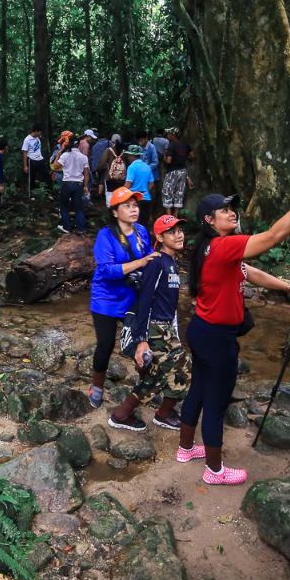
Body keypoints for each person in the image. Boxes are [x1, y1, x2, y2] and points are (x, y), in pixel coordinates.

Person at [179, 188, 290, 485]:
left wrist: (288, 287)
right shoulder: (223, 245)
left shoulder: (207, 248)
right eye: (225, 210)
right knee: (215, 403)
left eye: (232, 208)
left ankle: (186, 448)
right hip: (217, 339)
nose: (232, 213)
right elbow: (272, 237)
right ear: (209, 219)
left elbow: (250, 272)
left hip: (201, 331)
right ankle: (214, 471)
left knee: (199, 390)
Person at [108, 214, 191, 432]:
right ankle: (121, 415)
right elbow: (144, 300)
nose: (179, 234)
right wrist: (141, 340)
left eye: (180, 230)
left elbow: (170, 305)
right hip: (153, 329)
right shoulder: (156, 263)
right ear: (160, 237)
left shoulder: (172, 263)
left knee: (183, 368)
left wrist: (175, 332)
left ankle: (164, 413)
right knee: (158, 374)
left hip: (166, 329)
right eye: (172, 231)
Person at [89, 187, 160, 408]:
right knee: (106, 344)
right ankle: (97, 385)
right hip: (106, 300)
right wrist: (139, 263)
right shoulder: (106, 236)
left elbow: (150, 259)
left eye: (135, 205)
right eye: (127, 206)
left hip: (132, 297)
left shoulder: (140, 231)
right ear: (114, 211)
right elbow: (107, 270)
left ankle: (146, 386)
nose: (133, 209)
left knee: (142, 343)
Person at [53, 136, 90, 234]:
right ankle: (81, 228)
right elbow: (86, 173)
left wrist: (58, 155)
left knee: (64, 206)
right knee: (79, 207)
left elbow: (55, 167)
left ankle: (67, 227)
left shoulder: (65, 155)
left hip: (67, 184)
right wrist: (86, 186)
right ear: (78, 145)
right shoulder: (83, 157)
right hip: (79, 184)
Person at [162, 129, 193, 215]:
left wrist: (164, 157)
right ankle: (176, 214)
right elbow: (192, 156)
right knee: (179, 193)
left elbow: (168, 161)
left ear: (173, 135)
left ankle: (169, 216)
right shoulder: (185, 144)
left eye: (168, 134)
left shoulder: (171, 145)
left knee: (167, 192)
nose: (167, 136)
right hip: (183, 171)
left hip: (172, 172)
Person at [124, 144, 155, 225]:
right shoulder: (147, 167)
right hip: (146, 198)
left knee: (133, 224)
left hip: (134, 200)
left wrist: (122, 194)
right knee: (144, 224)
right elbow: (152, 183)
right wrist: (145, 190)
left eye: (129, 155)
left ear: (132, 156)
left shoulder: (132, 167)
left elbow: (128, 184)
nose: (128, 157)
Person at [98, 134, 127, 206]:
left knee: (110, 196)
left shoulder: (108, 150)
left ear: (111, 141)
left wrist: (99, 170)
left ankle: (111, 212)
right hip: (122, 179)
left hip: (110, 178)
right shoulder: (124, 152)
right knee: (120, 197)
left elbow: (102, 163)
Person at [21, 125, 46, 197]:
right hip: (32, 160)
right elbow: (24, 152)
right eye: (39, 132)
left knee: (45, 175)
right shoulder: (27, 140)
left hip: (40, 159)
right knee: (32, 177)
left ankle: (46, 192)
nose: (40, 134)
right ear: (35, 131)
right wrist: (25, 166)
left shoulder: (37, 137)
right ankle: (31, 194)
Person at [89, 132, 110, 198]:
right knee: (102, 179)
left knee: (97, 179)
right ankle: (100, 194)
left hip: (95, 165)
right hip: (104, 164)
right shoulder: (109, 143)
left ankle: (96, 193)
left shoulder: (95, 145)